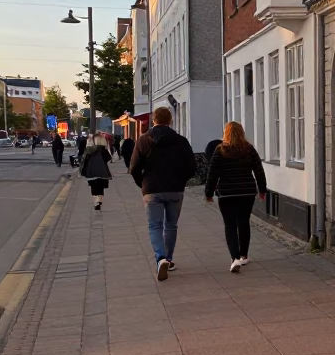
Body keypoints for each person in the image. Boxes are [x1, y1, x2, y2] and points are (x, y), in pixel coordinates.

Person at [129, 107, 196, 281]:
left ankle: (160, 258)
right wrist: (182, 181)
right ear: (170, 120)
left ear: (153, 121)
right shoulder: (181, 141)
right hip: (175, 188)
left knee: (155, 226)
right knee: (171, 225)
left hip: (152, 188)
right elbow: (192, 166)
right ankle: (170, 259)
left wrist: (142, 184)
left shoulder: (143, 140)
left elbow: (134, 167)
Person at [205, 122, 267, 273]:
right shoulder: (249, 149)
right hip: (246, 192)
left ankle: (235, 258)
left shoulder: (220, 150)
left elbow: (213, 173)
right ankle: (244, 255)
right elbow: (259, 170)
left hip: (227, 193)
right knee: (244, 222)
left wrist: (209, 192)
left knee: (230, 225)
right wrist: (262, 190)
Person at [80, 133, 113, 211]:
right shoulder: (103, 149)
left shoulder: (89, 150)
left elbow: (85, 159)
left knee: (93, 187)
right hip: (102, 171)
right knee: (101, 187)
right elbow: (108, 158)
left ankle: (96, 201)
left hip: (91, 171)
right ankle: (99, 200)